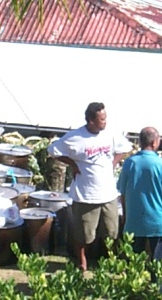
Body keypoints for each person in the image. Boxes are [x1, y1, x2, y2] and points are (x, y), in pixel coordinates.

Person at [47, 102, 133, 271]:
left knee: (111, 232)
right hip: (85, 195)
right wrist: (72, 163)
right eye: (102, 119)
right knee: (84, 234)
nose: (105, 122)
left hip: (108, 194)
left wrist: (114, 162)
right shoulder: (75, 137)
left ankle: (110, 261)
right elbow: (53, 150)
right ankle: (82, 261)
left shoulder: (111, 134)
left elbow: (126, 148)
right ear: (91, 121)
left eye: (105, 118)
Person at [117, 127, 162, 291]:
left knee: (134, 261)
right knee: (158, 261)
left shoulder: (130, 163)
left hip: (134, 221)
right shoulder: (161, 164)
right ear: (155, 142)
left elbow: (122, 192)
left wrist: (125, 215)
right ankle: (158, 291)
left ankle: (133, 290)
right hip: (158, 221)